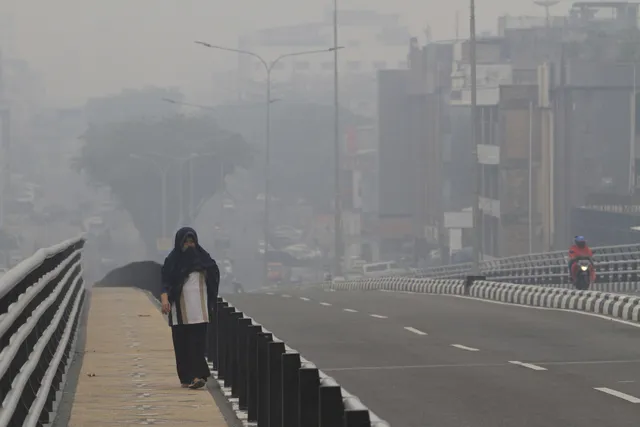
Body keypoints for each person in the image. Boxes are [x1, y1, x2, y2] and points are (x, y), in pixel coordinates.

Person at [160, 227, 220, 389]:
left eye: (191, 241)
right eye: (185, 242)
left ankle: (196, 376)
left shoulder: (204, 260)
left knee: (197, 345)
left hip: (200, 312)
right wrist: (165, 299)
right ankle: (186, 377)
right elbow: (165, 281)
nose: (189, 245)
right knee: (181, 346)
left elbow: (214, 276)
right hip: (179, 311)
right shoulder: (173, 261)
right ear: (179, 243)